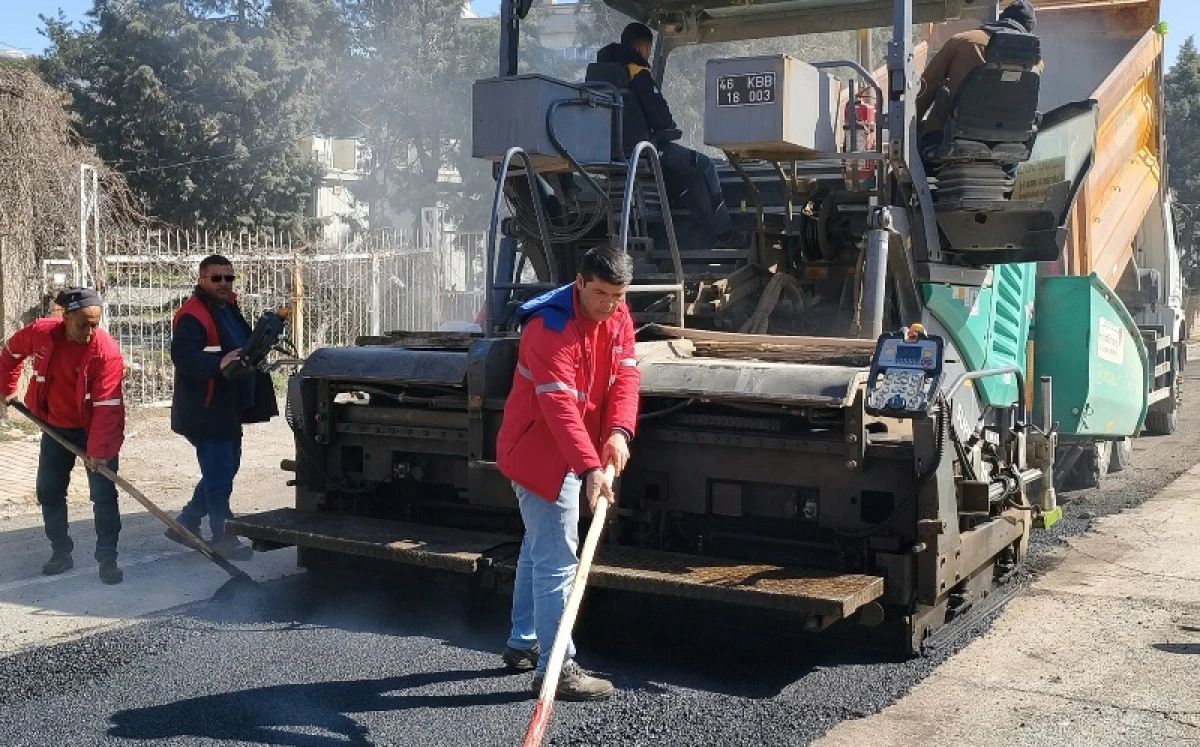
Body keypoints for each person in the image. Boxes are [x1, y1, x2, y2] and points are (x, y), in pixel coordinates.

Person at [496, 246, 640, 701]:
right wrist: (590, 466)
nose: (610, 306)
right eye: (600, 294)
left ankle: (523, 643)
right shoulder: (548, 328)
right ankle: (557, 667)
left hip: (579, 450)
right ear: (579, 282)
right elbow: (558, 409)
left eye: (618, 296)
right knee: (558, 558)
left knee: (538, 547)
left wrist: (619, 432)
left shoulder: (618, 314)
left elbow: (626, 377)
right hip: (539, 453)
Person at [0, 287, 126, 584]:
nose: (89, 331)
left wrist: (98, 451)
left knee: (104, 495)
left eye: (95, 324)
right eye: (83, 323)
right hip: (54, 427)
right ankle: (61, 551)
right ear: (66, 317)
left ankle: (108, 558)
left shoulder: (106, 352)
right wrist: (6, 388)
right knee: (49, 492)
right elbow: (9, 354)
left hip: (95, 428)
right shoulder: (41, 333)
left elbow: (107, 407)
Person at [168, 254, 278, 560]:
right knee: (220, 474)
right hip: (204, 409)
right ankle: (222, 536)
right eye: (216, 278)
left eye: (229, 278)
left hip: (227, 406)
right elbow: (184, 357)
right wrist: (219, 363)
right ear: (202, 280)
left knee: (225, 468)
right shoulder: (191, 315)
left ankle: (187, 523)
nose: (224, 284)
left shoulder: (228, 306)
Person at [596, 22, 745, 248]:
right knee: (704, 166)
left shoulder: (599, 75)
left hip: (609, 155)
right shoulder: (637, 71)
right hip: (645, 152)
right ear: (644, 49)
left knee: (681, 173)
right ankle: (724, 233)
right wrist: (669, 127)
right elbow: (661, 118)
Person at [916, 0, 1040, 167]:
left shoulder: (963, 41)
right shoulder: (1035, 62)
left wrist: (908, 129)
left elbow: (925, 88)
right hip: (1007, 151)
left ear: (1001, 18)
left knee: (901, 173)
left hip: (944, 142)